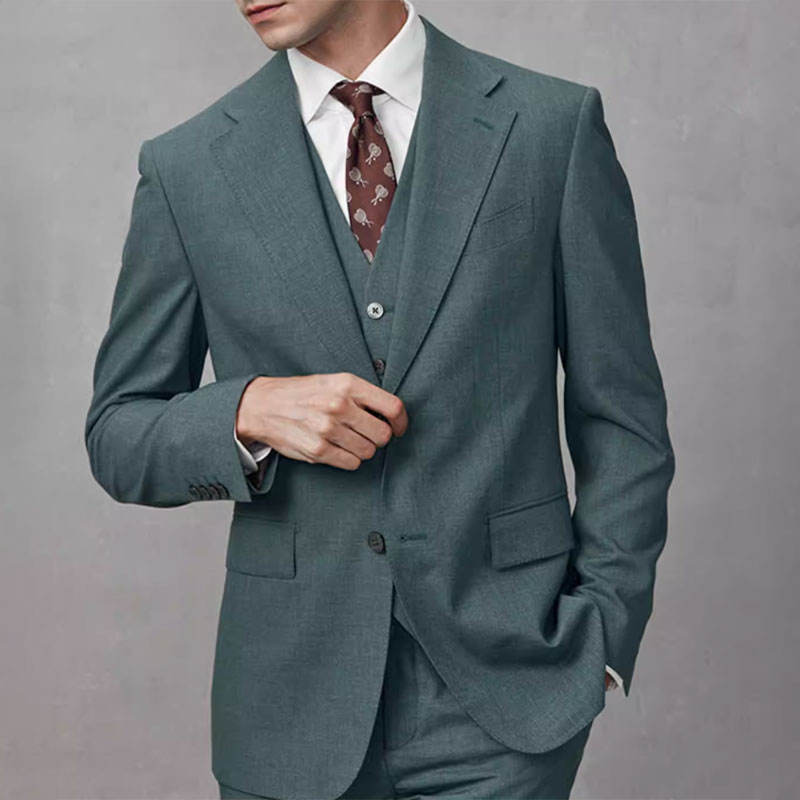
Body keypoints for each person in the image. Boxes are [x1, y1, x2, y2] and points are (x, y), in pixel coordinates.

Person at [85, 1, 675, 797]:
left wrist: (601, 636)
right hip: (289, 706)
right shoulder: (187, 165)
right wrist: (248, 411)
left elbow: (624, 417)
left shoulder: (548, 127)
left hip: (511, 694)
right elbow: (118, 432)